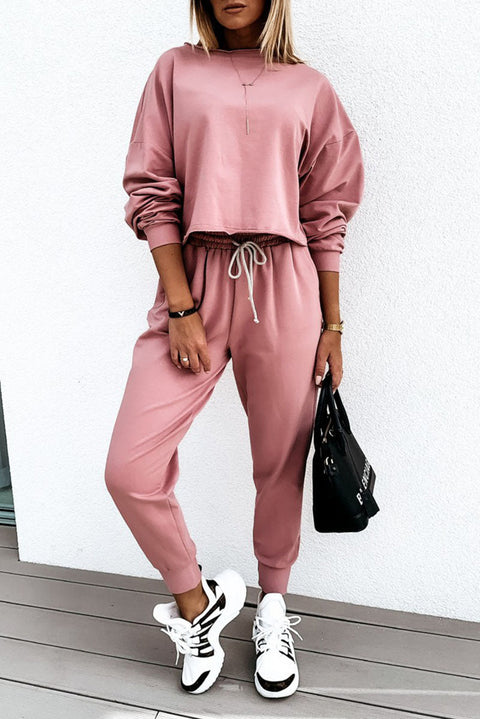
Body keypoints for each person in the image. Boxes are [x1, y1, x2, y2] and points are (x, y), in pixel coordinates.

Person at [104, 0, 364, 700]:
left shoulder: (309, 87)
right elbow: (152, 191)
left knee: (280, 461)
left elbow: (326, 212)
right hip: (196, 279)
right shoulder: (175, 71)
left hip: (286, 283)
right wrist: (181, 306)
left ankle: (273, 607)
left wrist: (333, 325)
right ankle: (198, 606)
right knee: (130, 467)